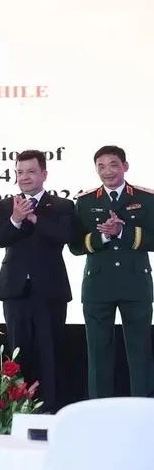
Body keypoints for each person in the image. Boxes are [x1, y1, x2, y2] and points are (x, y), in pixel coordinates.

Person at [0, 150, 74, 412]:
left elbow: (64, 236)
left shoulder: (62, 206)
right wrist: (16, 219)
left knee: (50, 354)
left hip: (50, 290)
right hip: (15, 290)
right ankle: (17, 411)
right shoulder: (6, 206)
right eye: (20, 172)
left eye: (30, 171)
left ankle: (49, 411)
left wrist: (34, 218)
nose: (24, 177)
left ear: (44, 174)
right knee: (17, 353)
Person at [69, 145, 154, 398]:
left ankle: (144, 413)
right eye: (101, 166)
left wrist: (122, 232)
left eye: (113, 164)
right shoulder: (85, 201)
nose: (108, 171)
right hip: (98, 286)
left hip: (136, 284)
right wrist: (102, 237)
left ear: (125, 166)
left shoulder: (146, 198)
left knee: (140, 353)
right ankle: (98, 411)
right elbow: (75, 246)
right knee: (98, 354)